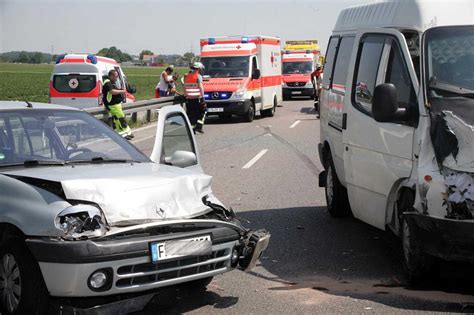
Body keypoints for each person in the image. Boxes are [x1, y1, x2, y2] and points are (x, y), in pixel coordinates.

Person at [103, 69, 134, 139]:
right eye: (116, 76)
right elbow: (112, 91)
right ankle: (125, 133)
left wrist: (120, 89)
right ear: (111, 76)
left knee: (118, 120)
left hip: (116, 105)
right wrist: (121, 91)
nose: (117, 78)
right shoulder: (108, 83)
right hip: (113, 105)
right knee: (121, 119)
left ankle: (124, 133)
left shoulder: (112, 83)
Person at [184, 62, 206, 134]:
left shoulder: (187, 76)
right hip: (197, 98)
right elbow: (201, 87)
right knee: (203, 112)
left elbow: (184, 88)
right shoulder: (198, 76)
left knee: (191, 114)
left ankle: (192, 129)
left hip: (189, 99)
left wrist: (186, 96)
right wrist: (203, 98)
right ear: (199, 69)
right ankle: (199, 127)